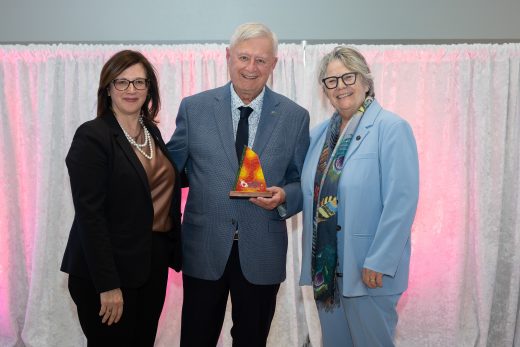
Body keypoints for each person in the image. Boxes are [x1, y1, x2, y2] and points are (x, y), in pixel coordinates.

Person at [167, 23, 310, 347]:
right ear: (228, 57)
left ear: (274, 64)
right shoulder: (194, 108)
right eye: (244, 57)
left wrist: (286, 195)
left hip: (262, 251)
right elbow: (169, 172)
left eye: (261, 60)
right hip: (203, 248)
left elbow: (303, 180)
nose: (251, 67)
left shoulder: (294, 116)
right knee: (196, 339)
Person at [299, 46, 419, 347]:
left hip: (369, 271)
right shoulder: (318, 136)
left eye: (347, 77)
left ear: (365, 80)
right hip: (327, 273)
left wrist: (380, 260)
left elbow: (401, 201)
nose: (340, 86)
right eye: (331, 81)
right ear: (325, 90)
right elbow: (307, 193)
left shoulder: (391, 128)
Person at [61, 50, 182, 347]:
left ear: (149, 88)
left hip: (151, 265)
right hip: (106, 270)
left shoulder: (150, 132)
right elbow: (91, 216)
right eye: (122, 82)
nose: (131, 90)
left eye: (139, 82)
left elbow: (157, 184)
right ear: (108, 88)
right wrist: (108, 284)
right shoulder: (92, 136)